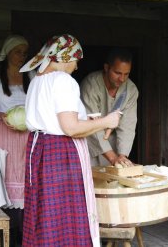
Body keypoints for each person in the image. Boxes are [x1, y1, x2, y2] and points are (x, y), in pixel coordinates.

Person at [19, 34, 121, 247]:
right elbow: (70, 128)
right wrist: (107, 121)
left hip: (40, 150)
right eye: (76, 60)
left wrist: (89, 119)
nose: (76, 67)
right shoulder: (63, 80)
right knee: (65, 217)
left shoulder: (37, 81)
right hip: (60, 153)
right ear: (65, 58)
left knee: (46, 215)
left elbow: (53, 119)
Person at [0, 34, 34, 246]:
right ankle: (2, 231)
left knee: (24, 177)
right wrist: (3, 116)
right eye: (18, 52)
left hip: (26, 136)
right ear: (8, 52)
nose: (22, 56)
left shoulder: (31, 75)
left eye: (25, 53)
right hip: (2, 133)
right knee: (4, 175)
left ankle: (24, 232)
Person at [80, 47, 139, 167]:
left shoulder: (131, 90)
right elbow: (91, 125)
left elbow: (128, 125)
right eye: (117, 73)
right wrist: (112, 158)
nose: (122, 79)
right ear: (107, 68)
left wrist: (122, 156)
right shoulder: (91, 85)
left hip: (113, 143)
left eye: (126, 74)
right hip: (90, 142)